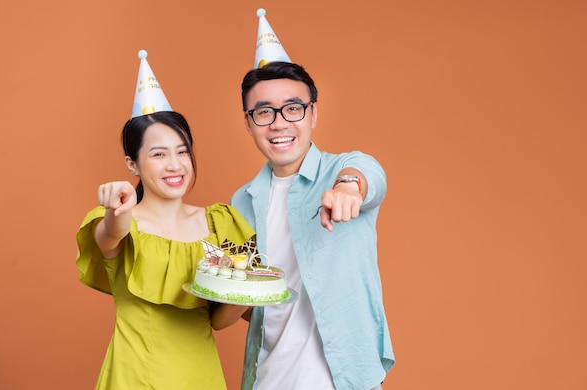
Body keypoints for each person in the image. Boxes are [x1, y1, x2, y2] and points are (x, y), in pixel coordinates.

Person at [231, 61, 395, 389]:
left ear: (313, 114)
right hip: (269, 377)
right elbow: (248, 306)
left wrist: (349, 187)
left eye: (293, 108)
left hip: (345, 379)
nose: (279, 124)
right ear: (249, 124)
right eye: (264, 113)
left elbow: (367, 174)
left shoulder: (344, 169)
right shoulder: (241, 202)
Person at [76, 110, 253, 387]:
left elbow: (219, 321)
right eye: (159, 154)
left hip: (201, 376)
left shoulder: (219, 224)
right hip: (134, 377)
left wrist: (248, 293)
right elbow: (111, 233)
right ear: (132, 164)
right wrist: (119, 205)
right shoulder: (121, 223)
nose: (175, 165)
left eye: (182, 152)